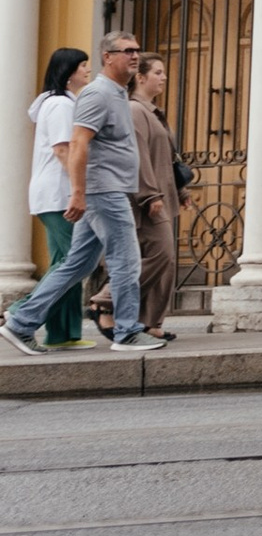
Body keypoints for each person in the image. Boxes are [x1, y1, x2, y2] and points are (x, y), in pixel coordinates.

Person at [1, 33, 163, 357]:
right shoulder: (98, 94)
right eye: (127, 51)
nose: (135, 56)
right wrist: (78, 193)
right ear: (108, 57)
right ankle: (127, 332)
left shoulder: (117, 93)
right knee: (126, 260)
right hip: (104, 190)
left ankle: (20, 322)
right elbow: (77, 143)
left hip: (108, 189)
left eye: (136, 50)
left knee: (77, 264)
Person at [21, 48, 92, 349]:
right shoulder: (61, 104)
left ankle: (63, 334)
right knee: (73, 262)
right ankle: (17, 315)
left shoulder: (60, 102)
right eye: (83, 65)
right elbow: (64, 150)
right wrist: (80, 189)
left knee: (65, 262)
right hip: (59, 195)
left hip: (55, 194)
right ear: (68, 71)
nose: (88, 70)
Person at [129, 55, 183, 341]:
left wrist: (181, 190)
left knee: (166, 262)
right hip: (148, 199)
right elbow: (139, 157)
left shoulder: (154, 112)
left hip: (163, 194)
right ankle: (106, 300)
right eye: (158, 73)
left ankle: (151, 322)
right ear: (140, 77)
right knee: (161, 255)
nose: (164, 77)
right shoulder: (135, 110)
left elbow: (167, 158)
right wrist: (150, 195)